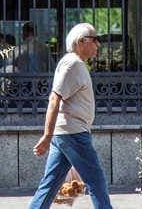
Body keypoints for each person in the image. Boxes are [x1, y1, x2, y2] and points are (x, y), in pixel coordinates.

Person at [28, 23, 112, 209]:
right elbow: (54, 98)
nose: (98, 44)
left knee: (50, 185)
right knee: (96, 181)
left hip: (67, 133)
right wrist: (47, 135)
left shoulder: (75, 63)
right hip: (73, 133)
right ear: (81, 41)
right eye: (95, 40)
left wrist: (50, 135)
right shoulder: (72, 63)